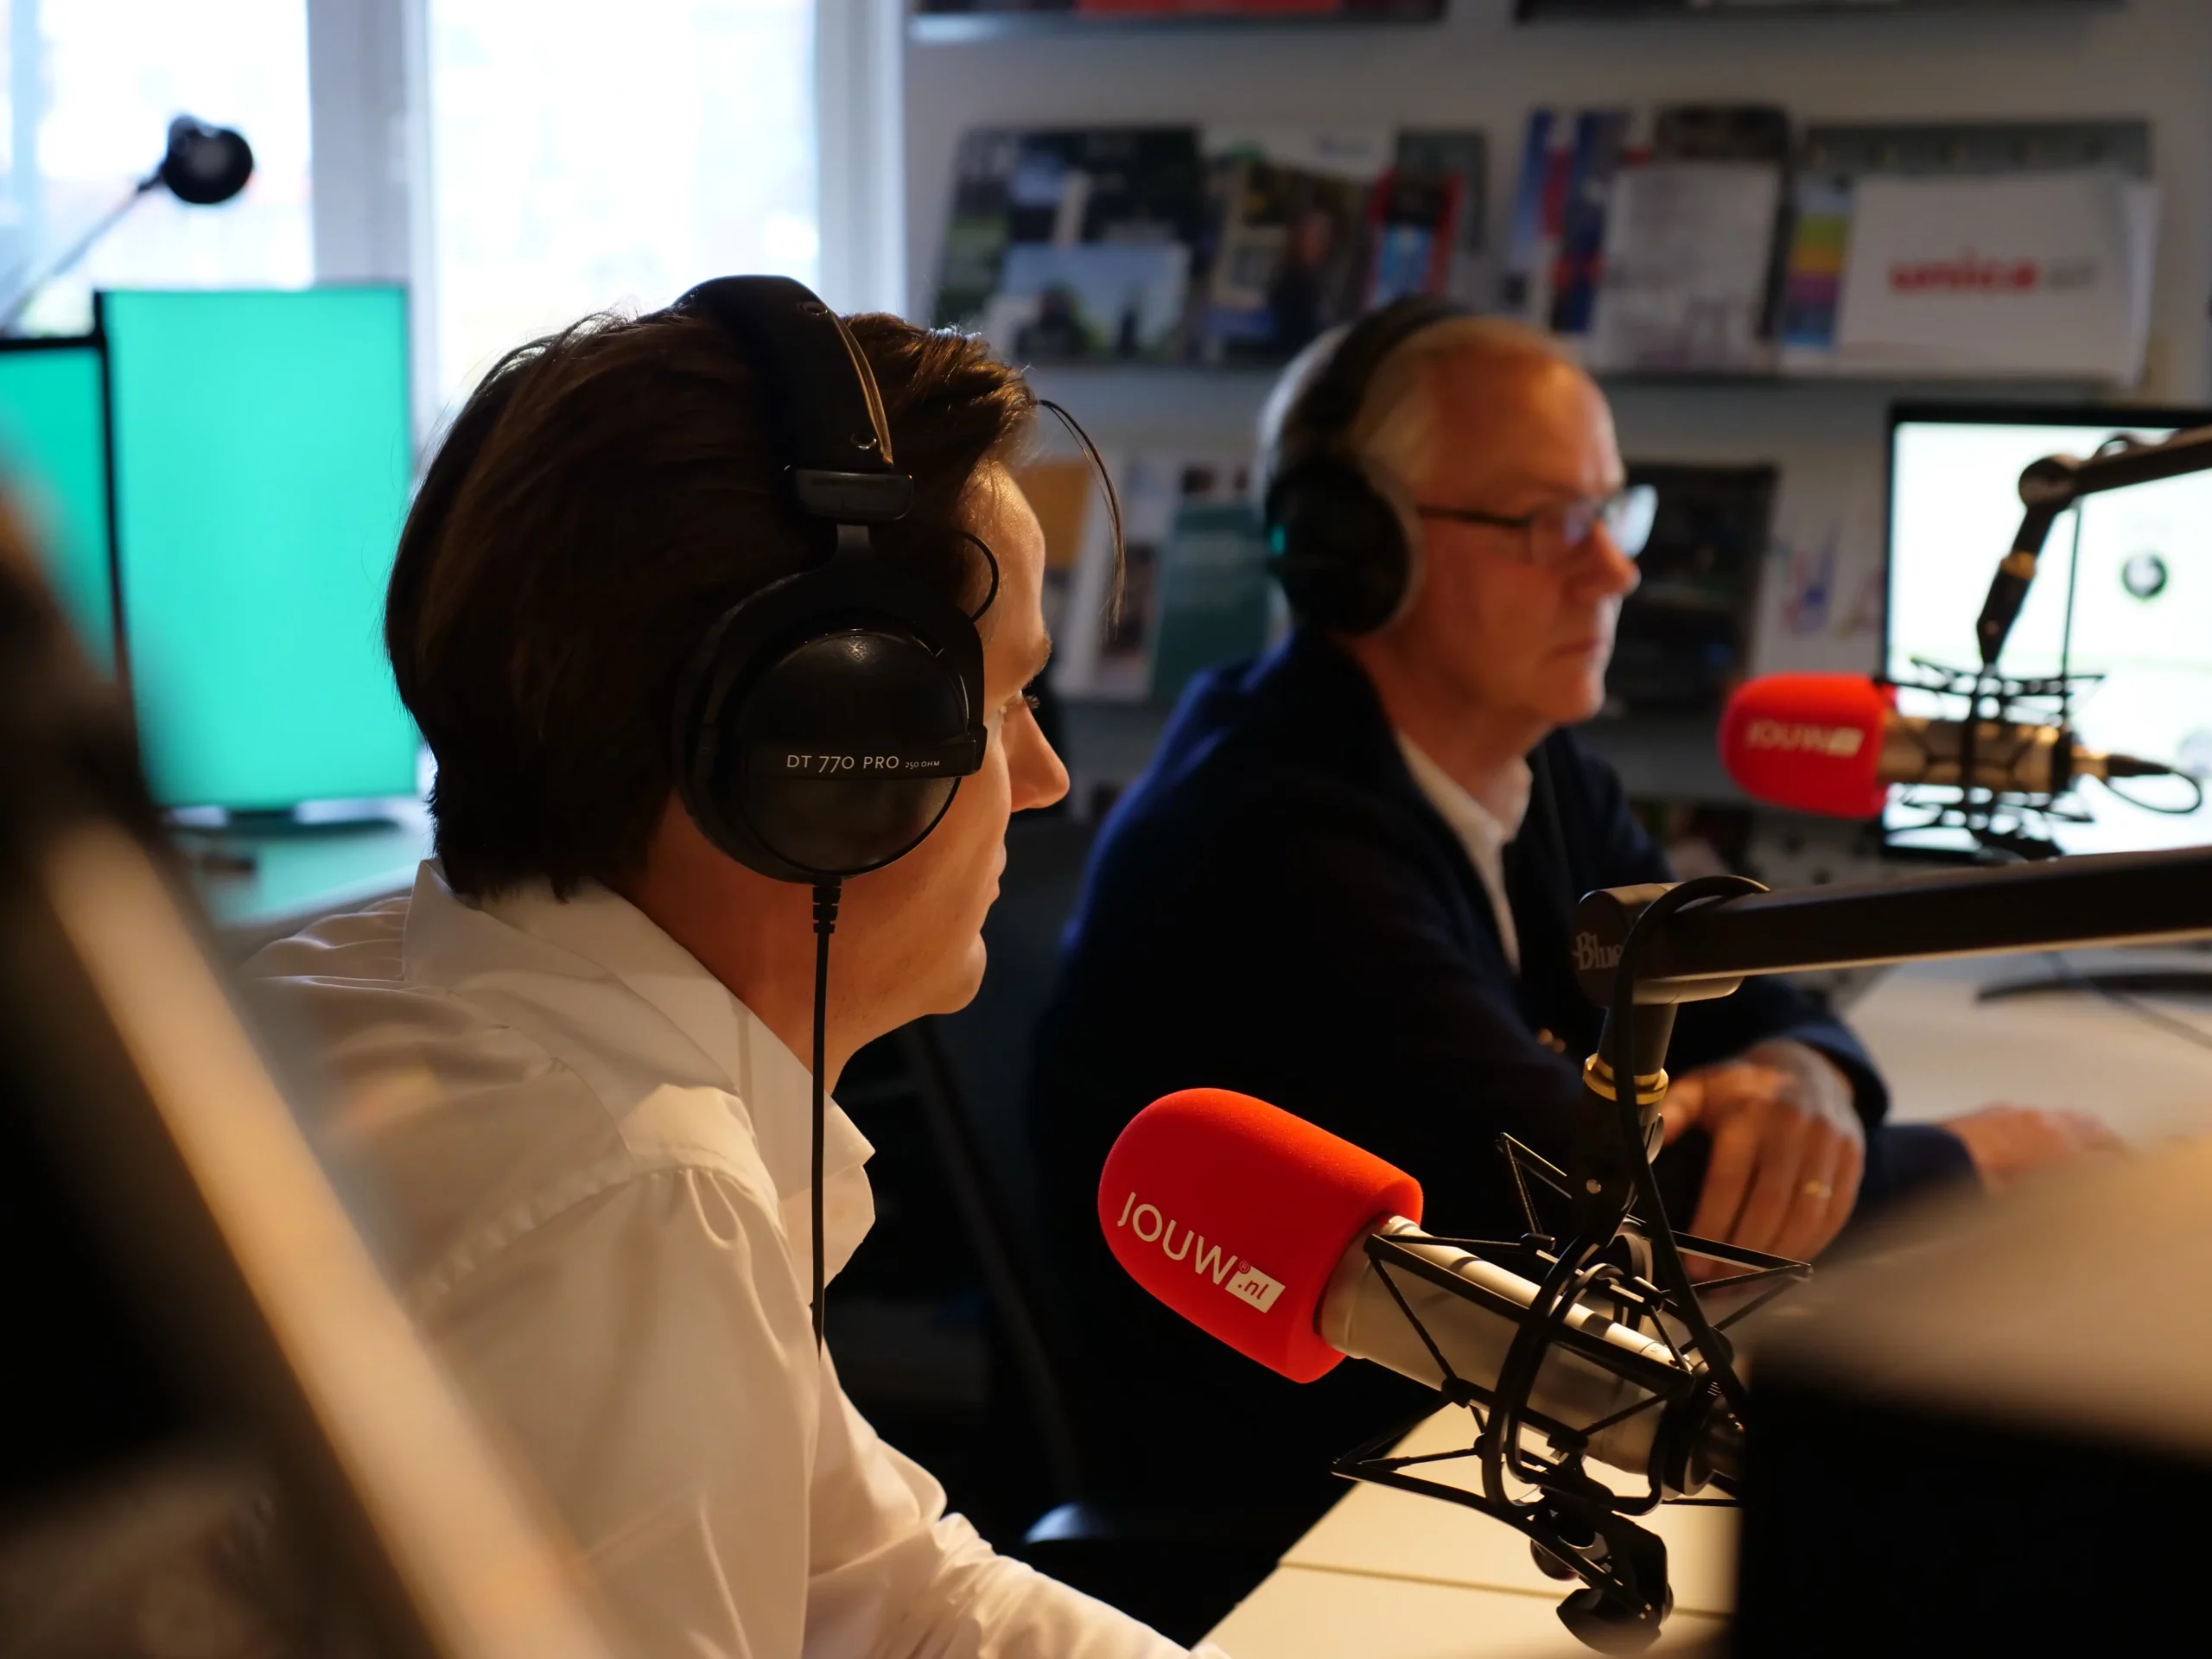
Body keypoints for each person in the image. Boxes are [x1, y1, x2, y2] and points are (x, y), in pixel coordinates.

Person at [1025, 302, 2118, 1526]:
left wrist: (1805, 1076)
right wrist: (1982, 1163)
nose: (1616, 568)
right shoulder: (1267, 842)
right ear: (1357, 551)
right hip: (1298, 1503)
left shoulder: (1537, 771)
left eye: (1612, 511)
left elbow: (1752, 992)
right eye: (1551, 522)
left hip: (1486, 1424)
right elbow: (1604, 1214)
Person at [250, 287, 1221, 1659]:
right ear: (820, 754)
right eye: (1003, 705)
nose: (1050, 778)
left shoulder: (435, 997)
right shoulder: (624, 1195)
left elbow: (894, 1595)